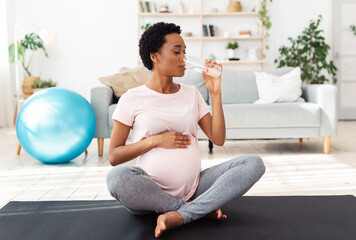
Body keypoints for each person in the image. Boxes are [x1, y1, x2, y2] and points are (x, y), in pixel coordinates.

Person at [106, 22, 265, 238]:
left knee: (253, 164)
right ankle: (192, 209)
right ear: (155, 56)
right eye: (176, 51)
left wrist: (215, 93)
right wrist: (155, 141)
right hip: (148, 194)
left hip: (195, 187)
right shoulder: (132, 98)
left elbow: (217, 139)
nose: (184, 58)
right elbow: (114, 156)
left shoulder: (192, 94)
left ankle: (182, 213)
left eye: (185, 52)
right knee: (117, 177)